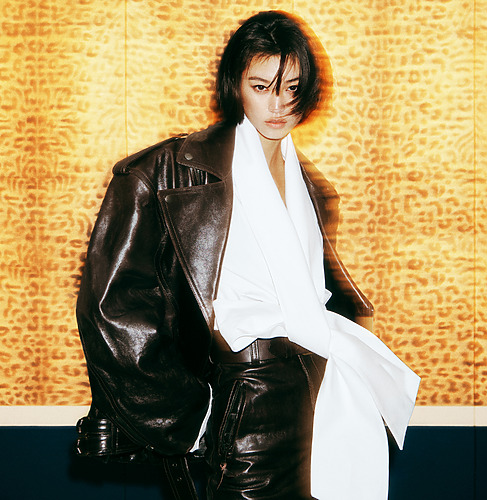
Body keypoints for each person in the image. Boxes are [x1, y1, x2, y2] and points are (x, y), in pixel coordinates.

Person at [75, 10, 419, 500]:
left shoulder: (313, 186)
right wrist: (187, 415)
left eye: (291, 88)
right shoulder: (169, 173)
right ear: (234, 84)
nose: (278, 105)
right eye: (261, 87)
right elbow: (110, 308)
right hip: (245, 399)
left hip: (326, 393)